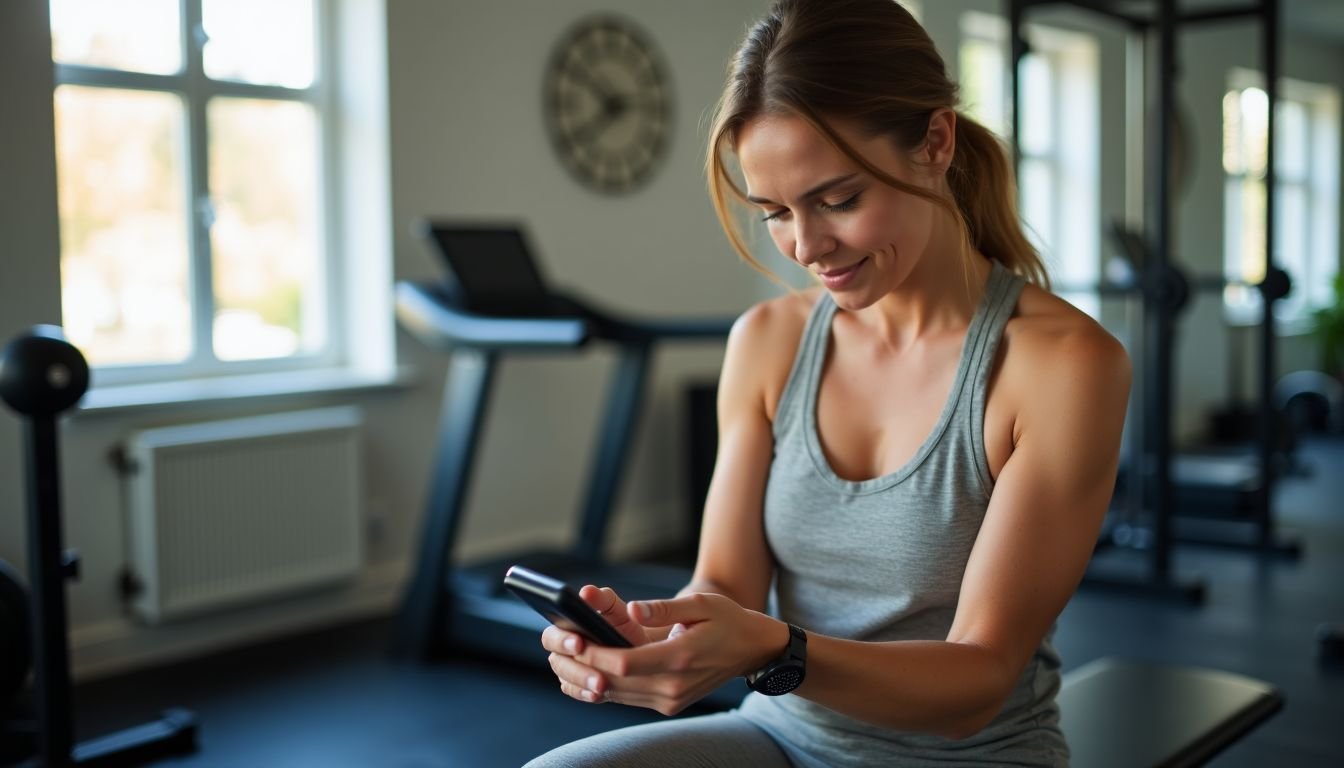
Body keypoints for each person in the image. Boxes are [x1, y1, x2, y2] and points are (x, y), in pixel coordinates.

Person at [526, 0, 1131, 765]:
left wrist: (780, 650)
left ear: (936, 142)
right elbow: (726, 586)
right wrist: (649, 637)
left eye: (839, 199)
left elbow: (977, 684)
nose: (807, 246)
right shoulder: (768, 342)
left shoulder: (1062, 364)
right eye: (775, 211)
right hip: (784, 734)